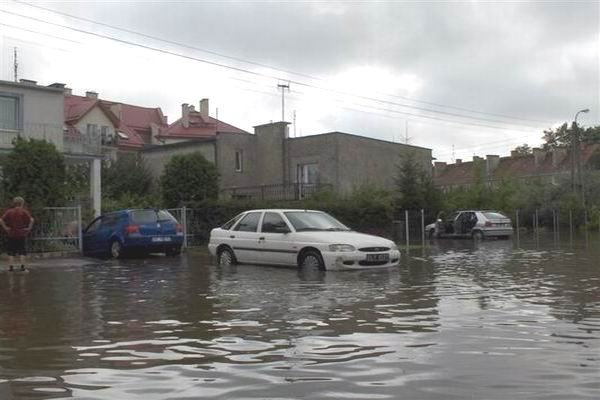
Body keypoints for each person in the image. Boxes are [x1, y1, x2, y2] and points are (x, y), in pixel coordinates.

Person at [0, 197, 34, 272]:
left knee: (11, 252)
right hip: (21, 234)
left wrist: (6, 228)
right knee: (22, 251)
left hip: (11, 234)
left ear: (14, 203)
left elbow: (1, 220)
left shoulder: (9, 211)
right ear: (22, 203)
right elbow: (31, 220)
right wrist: (28, 228)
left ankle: (11, 268)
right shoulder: (24, 211)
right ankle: (23, 268)